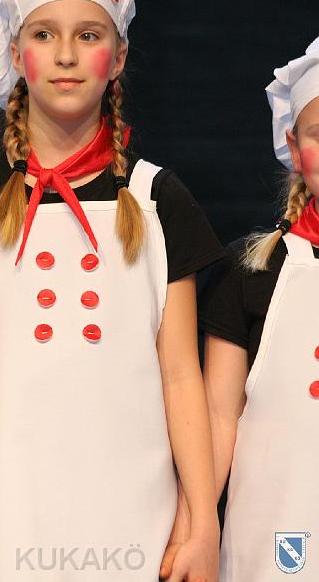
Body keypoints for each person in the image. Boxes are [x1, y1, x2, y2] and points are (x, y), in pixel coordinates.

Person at [0, 0, 223, 582]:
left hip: (138, 520)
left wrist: (202, 524)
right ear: (15, 54)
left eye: (89, 35)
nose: (67, 56)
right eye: (44, 35)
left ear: (119, 56)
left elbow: (180, 376)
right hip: (9, 514)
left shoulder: (158, 199)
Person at [199, 38, 319, 580]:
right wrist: (195, 527)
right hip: (277, 538)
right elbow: (218, 417)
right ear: (294, 146)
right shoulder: (251, 271)